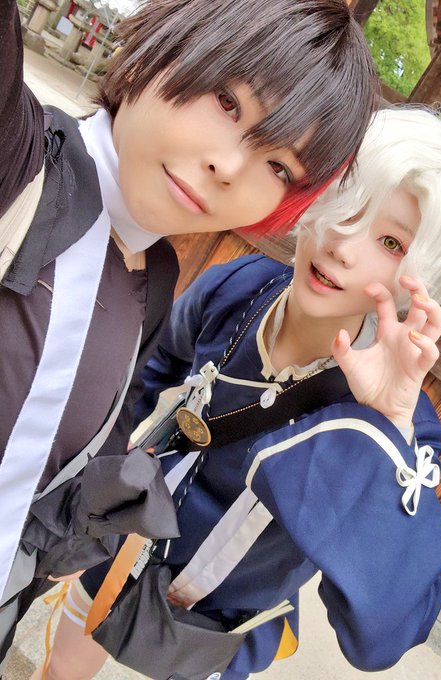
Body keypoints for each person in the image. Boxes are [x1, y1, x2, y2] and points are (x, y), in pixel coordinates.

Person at [37, 106, 441, 680]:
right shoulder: (241, 287)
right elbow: (149, 371)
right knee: (60, 670)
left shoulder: (405, 429)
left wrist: (386, 430)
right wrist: (90, 498)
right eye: (348, 202)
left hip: (220, 626)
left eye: (390, 242)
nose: (341, 244)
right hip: (121, 549)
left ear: (423, 279)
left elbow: (382, 638)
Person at [0, 0, 377, 671]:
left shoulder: (152, 274)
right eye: (228, 102)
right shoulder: (17, 161)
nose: (230, 166)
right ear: (177, 40)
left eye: (279, 167)